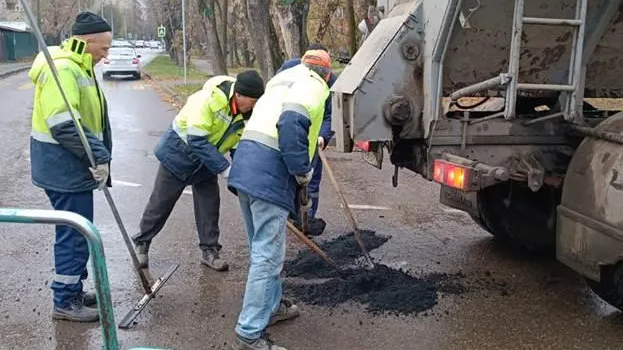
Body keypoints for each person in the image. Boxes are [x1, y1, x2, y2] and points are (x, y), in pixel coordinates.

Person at [228, 50, 332, 350]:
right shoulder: (313, 85)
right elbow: (290, 123)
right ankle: (249, 333)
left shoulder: (283, 79)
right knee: (268, 257)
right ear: (325, 74)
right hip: (268, 173)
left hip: (245, 165)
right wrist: (301, 172)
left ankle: (271, 308)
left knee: (260, 248)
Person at [132, 71, 264, 272]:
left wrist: (242, 177)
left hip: (207, 161)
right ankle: (142, 242)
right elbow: (196, 139)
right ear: (239, 95)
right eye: (252, 101)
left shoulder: (246, 115)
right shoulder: (207, 100)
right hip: (178, 154)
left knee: (209, 206)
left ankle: (209, 251)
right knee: (161, 203)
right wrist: (224, 168)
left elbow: (239, 148)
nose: (254, 106)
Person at [29, 11, 113, 322]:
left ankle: (73, 289)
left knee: (77, 232)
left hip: (71, 166)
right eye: (103, 48)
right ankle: (64, 301)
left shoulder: (80, 65)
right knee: (74, 235)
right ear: (86, 42)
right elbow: (64, 124)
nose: (106, 56)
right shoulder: (63, 70)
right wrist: (99, 156)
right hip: (64, 168)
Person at [276, 43, 337, 237]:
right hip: (287, 135)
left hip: (312, 140)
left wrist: (323, 136)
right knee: (287, 177)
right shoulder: (289, 70)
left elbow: (330, 114)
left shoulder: (329, 80)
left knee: (311, 181)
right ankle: (285, 216)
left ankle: (306, 220)